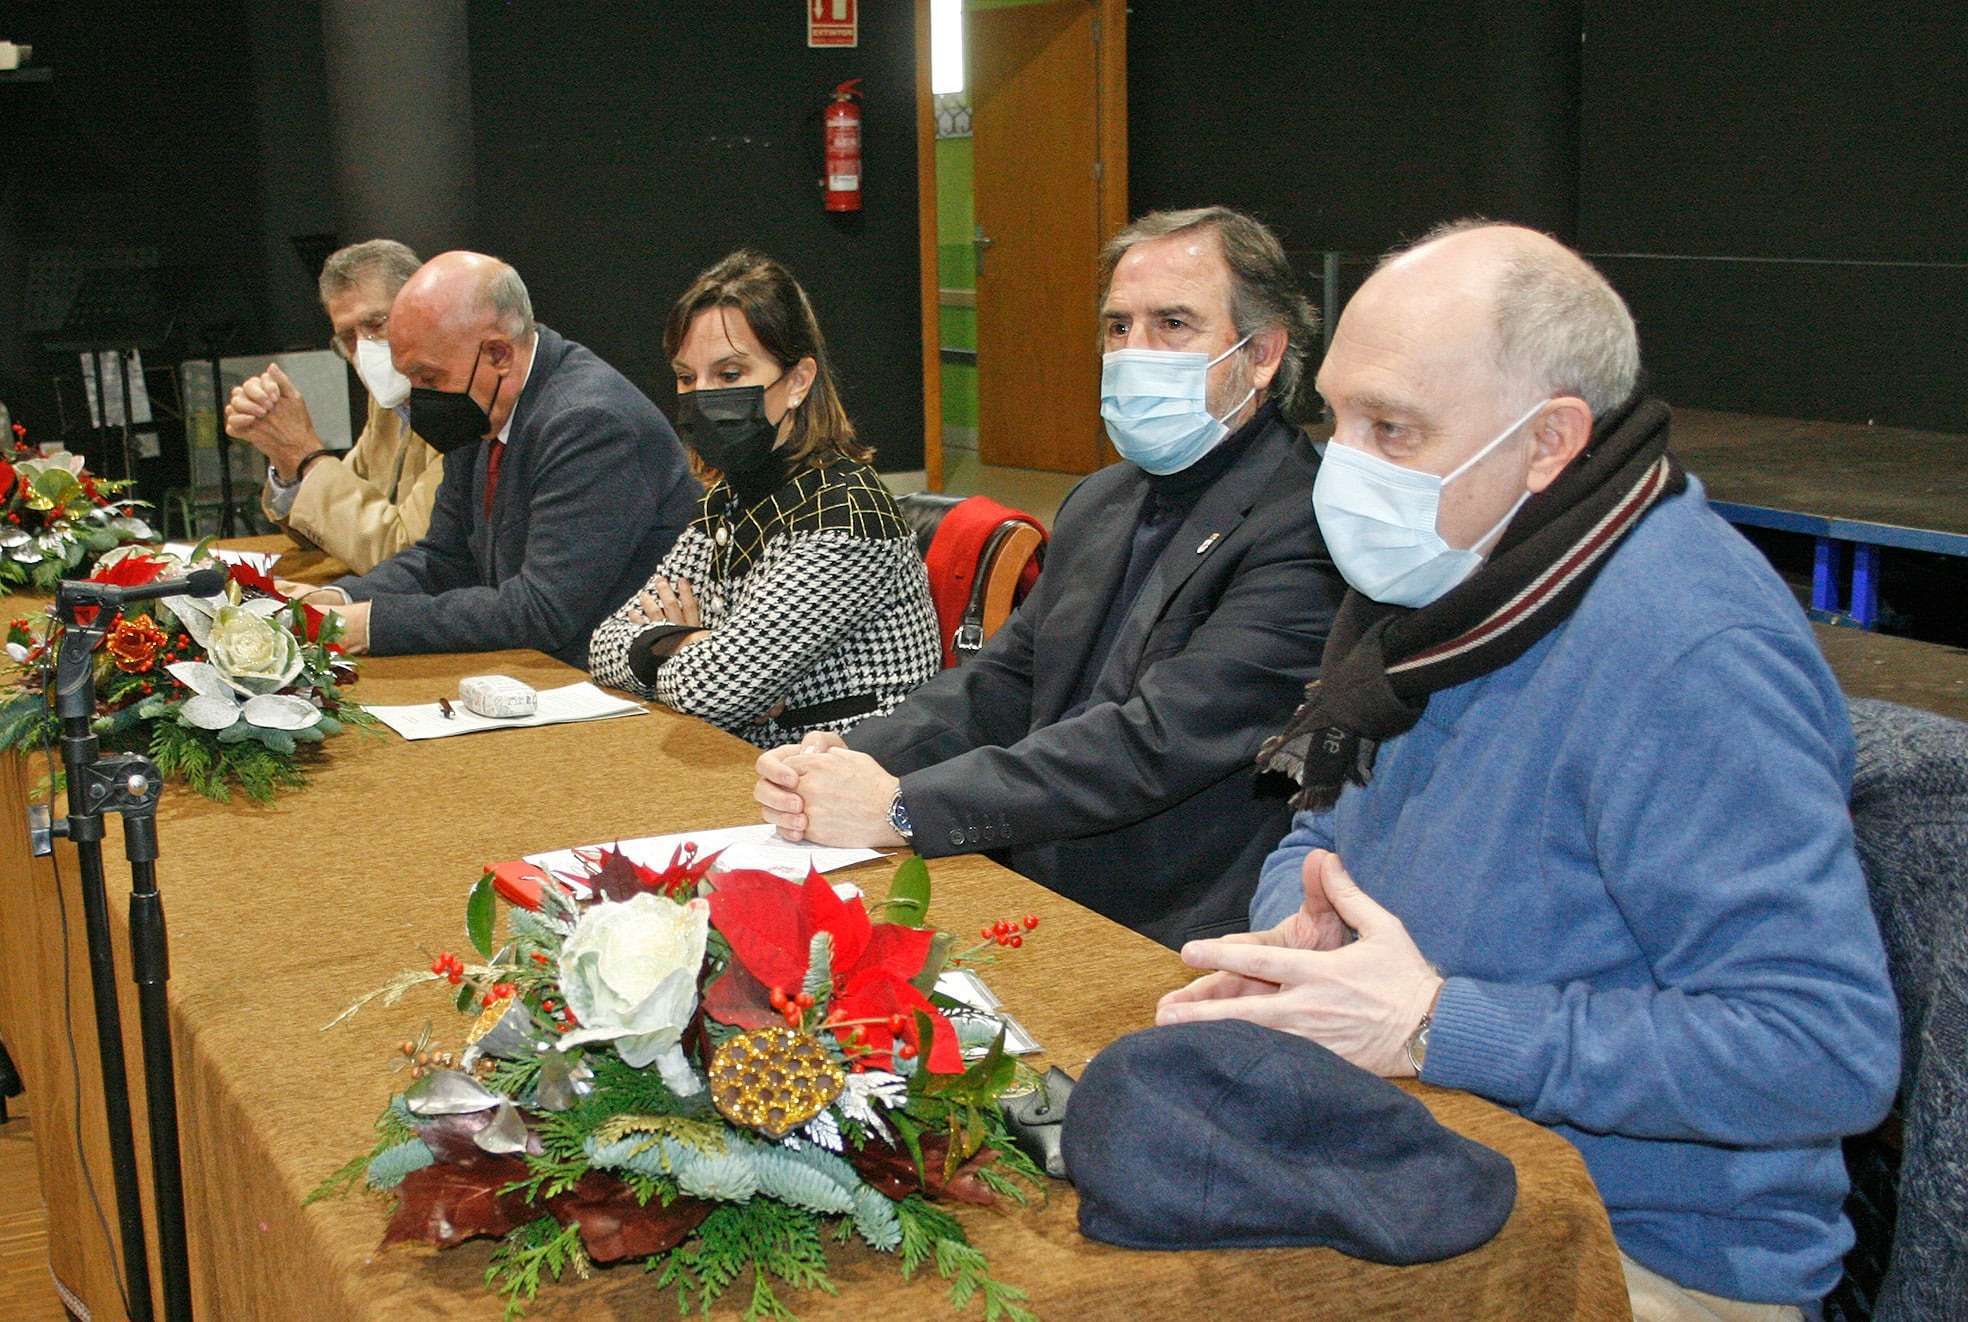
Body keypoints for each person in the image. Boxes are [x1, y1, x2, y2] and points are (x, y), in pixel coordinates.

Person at [1158, 221, 1899, 1320]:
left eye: (1392, 428)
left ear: (1549, 441)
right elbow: (1324, 833)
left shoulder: (1688, 649)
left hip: (1634, 1256)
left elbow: (1822, 1046)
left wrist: (1433, 1024)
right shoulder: (1451, 589)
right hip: (1430, 1167)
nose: (1341, 467)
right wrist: (1305, 926)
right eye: (1336, 421)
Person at [753, 207, 1345, 946]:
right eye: (1118, 327)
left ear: (1262, 355)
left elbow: (1154, 742)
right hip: (1032, 868)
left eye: (1172, 324)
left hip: (1169, 922)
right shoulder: (1104, 498)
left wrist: (904, 805)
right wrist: (852, 755)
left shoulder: (1304, 526)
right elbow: (1000, 683)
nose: (1135, 351)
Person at [588, 250, 939, 747]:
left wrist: (675, 649)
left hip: (835, 780)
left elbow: (713, 692)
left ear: (797, 381)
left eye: (729, 375)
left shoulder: (845, 518)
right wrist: (695, 646)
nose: (700, 395)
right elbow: (604, 645)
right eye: (687, 377)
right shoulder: (729, 497)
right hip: (742, 761)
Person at [294, 251, 697, 665]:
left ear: (499, 354)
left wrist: (368, 625)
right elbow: (444, 557)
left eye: (429, 377)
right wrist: (338, 598)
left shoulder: (589, 422)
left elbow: (543, 609)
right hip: (532, 675)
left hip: (609, 689)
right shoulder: (481, 407)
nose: (418, 395)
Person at [226, 239, 442, 573]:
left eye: (375, 324)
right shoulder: (387, 404)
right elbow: (326, 531)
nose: (365, 350)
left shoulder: (463, 403)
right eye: (349, 338)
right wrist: (285, 457)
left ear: (422, 309)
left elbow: (406, 558)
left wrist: (304, 452)